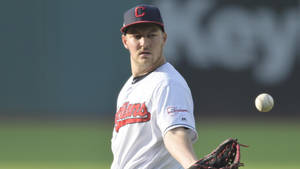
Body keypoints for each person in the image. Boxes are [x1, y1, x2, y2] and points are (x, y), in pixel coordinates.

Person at [111, 4, 199, 169]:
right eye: (136, 36)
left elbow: (175, 132)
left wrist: (192, 165)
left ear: (164, 38)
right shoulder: (127, 89)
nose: (144, 43)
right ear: (125, 41)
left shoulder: (167, 83)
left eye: (151, 35)